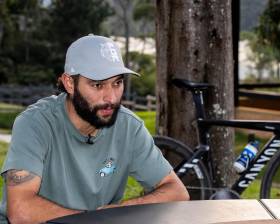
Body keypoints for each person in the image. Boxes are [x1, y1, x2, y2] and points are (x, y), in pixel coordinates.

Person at [0, 34, 189, 224]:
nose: (111, 98)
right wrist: (93, 220)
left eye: (117, 83)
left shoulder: (129, 127)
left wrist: (121, 210)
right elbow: (21, 211)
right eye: (97, 85)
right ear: (69, 83)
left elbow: (177, 191)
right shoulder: (36, 123)